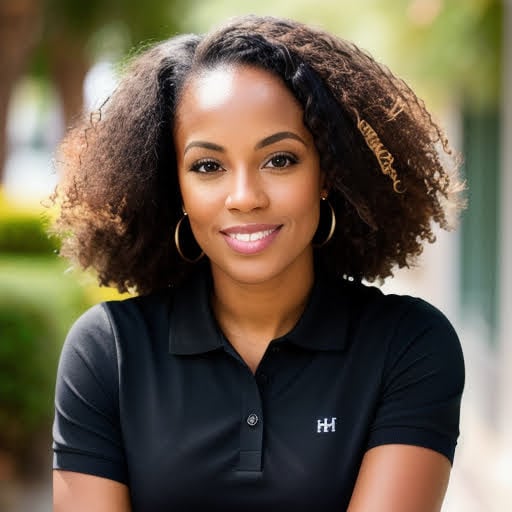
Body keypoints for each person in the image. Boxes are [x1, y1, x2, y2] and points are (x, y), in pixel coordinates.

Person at [51, 14, 465, 512]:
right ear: (175, 187)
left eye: (280, 160)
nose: (244, 197)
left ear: (327, 174)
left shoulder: (409, 346)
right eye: (208, 166)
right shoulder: (108, 354)